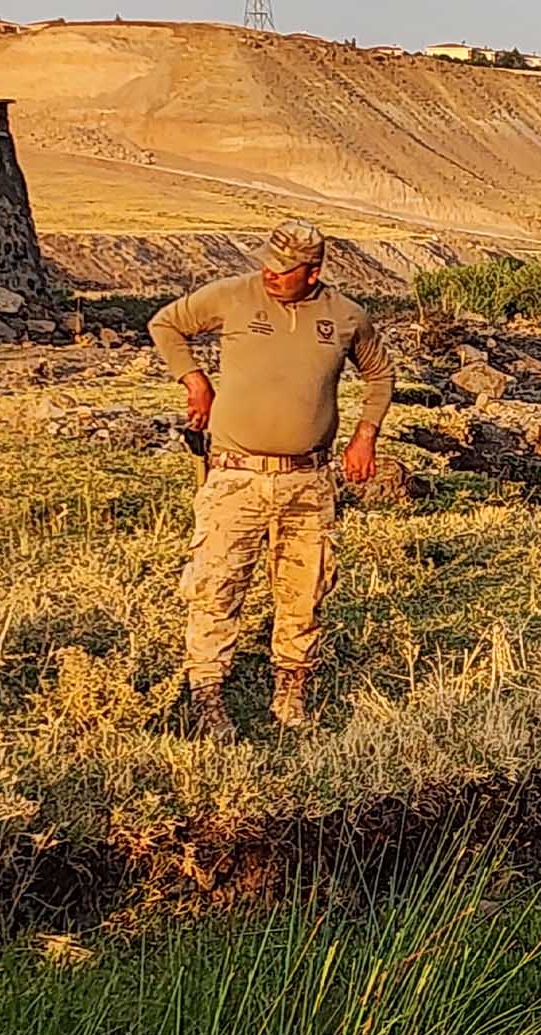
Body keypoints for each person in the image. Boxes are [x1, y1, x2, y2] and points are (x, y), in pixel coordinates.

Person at [148, 220, 392, 738]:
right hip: (236, 476)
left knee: (304, 589)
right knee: (216, 586)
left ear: (314, 272)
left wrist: (365, 435)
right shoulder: (233, 296)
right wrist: (194, 380)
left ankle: (291, 690)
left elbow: (379, 376)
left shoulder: (347, 317)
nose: (271, 274)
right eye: (267, 263)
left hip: (309, 480)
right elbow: (166, 324)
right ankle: (208, 696)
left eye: (284, 269)